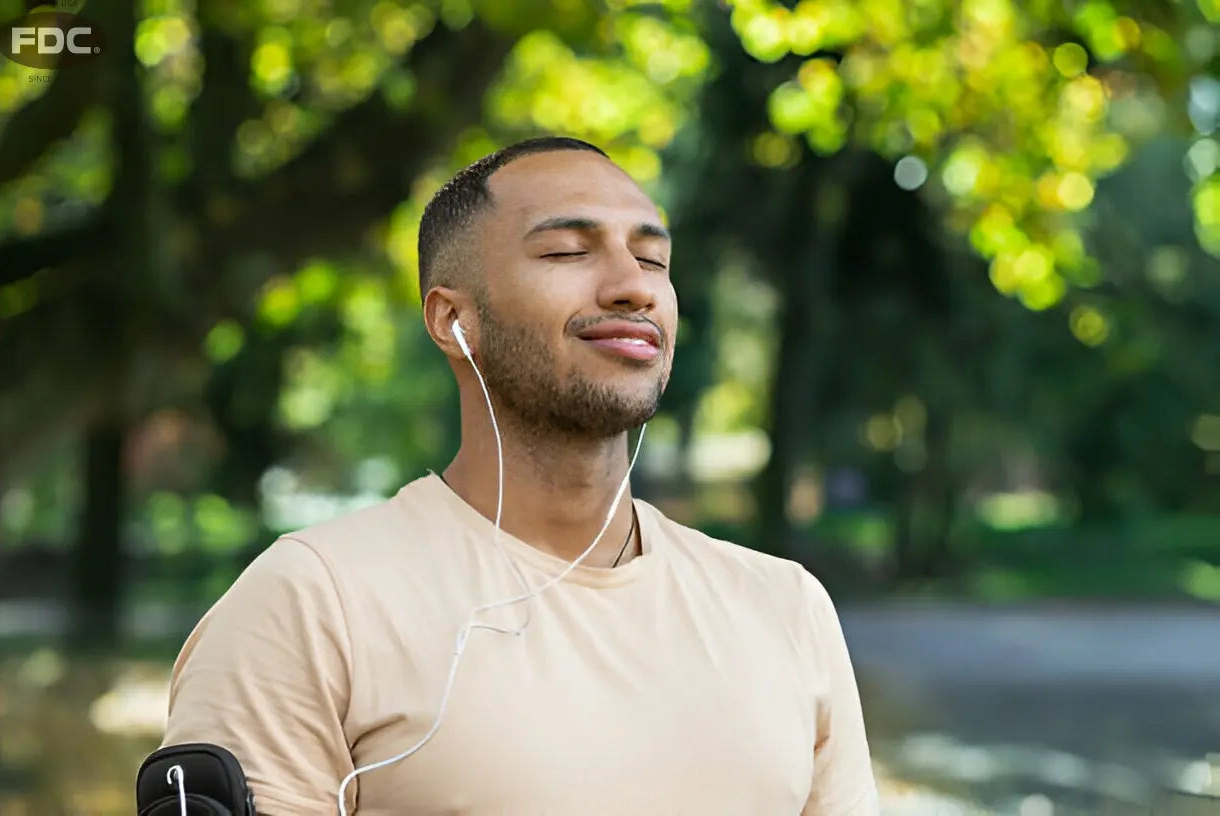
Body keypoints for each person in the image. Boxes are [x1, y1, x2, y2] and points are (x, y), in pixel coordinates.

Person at [159, 136, 880, 815]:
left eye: (654, 261)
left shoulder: (787, 609)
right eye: (569, 250)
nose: (634, 286)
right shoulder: (312, 603)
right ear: (453, 320)